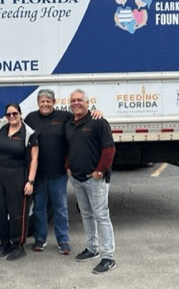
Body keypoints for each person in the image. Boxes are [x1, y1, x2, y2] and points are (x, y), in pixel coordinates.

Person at [25, 88, 103, 255]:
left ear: (54, 102)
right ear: (38, 103)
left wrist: (96, 112)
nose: (45, 104)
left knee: (60, 209)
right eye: (42, 101)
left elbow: (82, 118)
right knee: (39, 208)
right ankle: (40, 238)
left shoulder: (64, 117)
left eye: (48, 101)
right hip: (38, 174)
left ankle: (63, 241)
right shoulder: (31, 118)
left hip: (59, 174)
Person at [65, 89, 117, 275]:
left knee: (101, 216)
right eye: (73, 100)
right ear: (69, 104)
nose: (76, 103)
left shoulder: (98, 121)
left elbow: (109, 148)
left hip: (94, 180)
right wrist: (67, 166)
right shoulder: (69, 124)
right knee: (86, 214)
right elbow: (68, 148)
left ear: (87, 103)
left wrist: (100, 170)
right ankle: (92, 248)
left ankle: (108, 257)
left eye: (80, 100)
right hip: (77, 179)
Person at [0, 103, 38, 261]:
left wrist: (30, 181)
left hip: (18, 175)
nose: (12, 117)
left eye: (15, 114)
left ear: (20, 114)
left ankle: (18, 245)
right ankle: (4, 243)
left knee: (17, 213)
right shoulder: (1, 129)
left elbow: (34, 159)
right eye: (8, 114)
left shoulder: (29, 132)